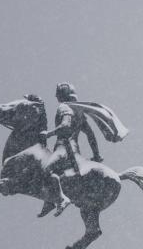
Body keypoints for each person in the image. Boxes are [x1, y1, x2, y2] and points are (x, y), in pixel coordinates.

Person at [37, 83, 106, 217]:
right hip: (75, 150)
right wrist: (96, 155)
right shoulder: (79, 112)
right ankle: (50, 201)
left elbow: (65, 125)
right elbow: (91, 135)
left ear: (61, 95)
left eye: (57, 94)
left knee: (44, 170)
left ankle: (60, 200)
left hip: (64, 148)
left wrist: (49, 134)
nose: (56, 97)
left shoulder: (64, 107)